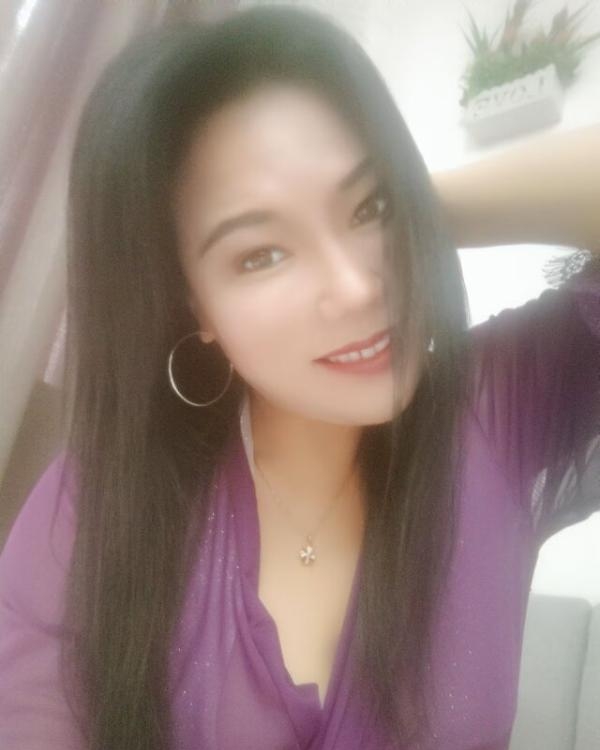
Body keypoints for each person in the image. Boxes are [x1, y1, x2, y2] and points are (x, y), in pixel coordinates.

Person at [0, 5, 598, 750]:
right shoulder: (95, 507)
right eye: (261, 255)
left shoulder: (496, 412)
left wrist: (416, 205)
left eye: (371, 206)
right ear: (196, 306)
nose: (355, 287)